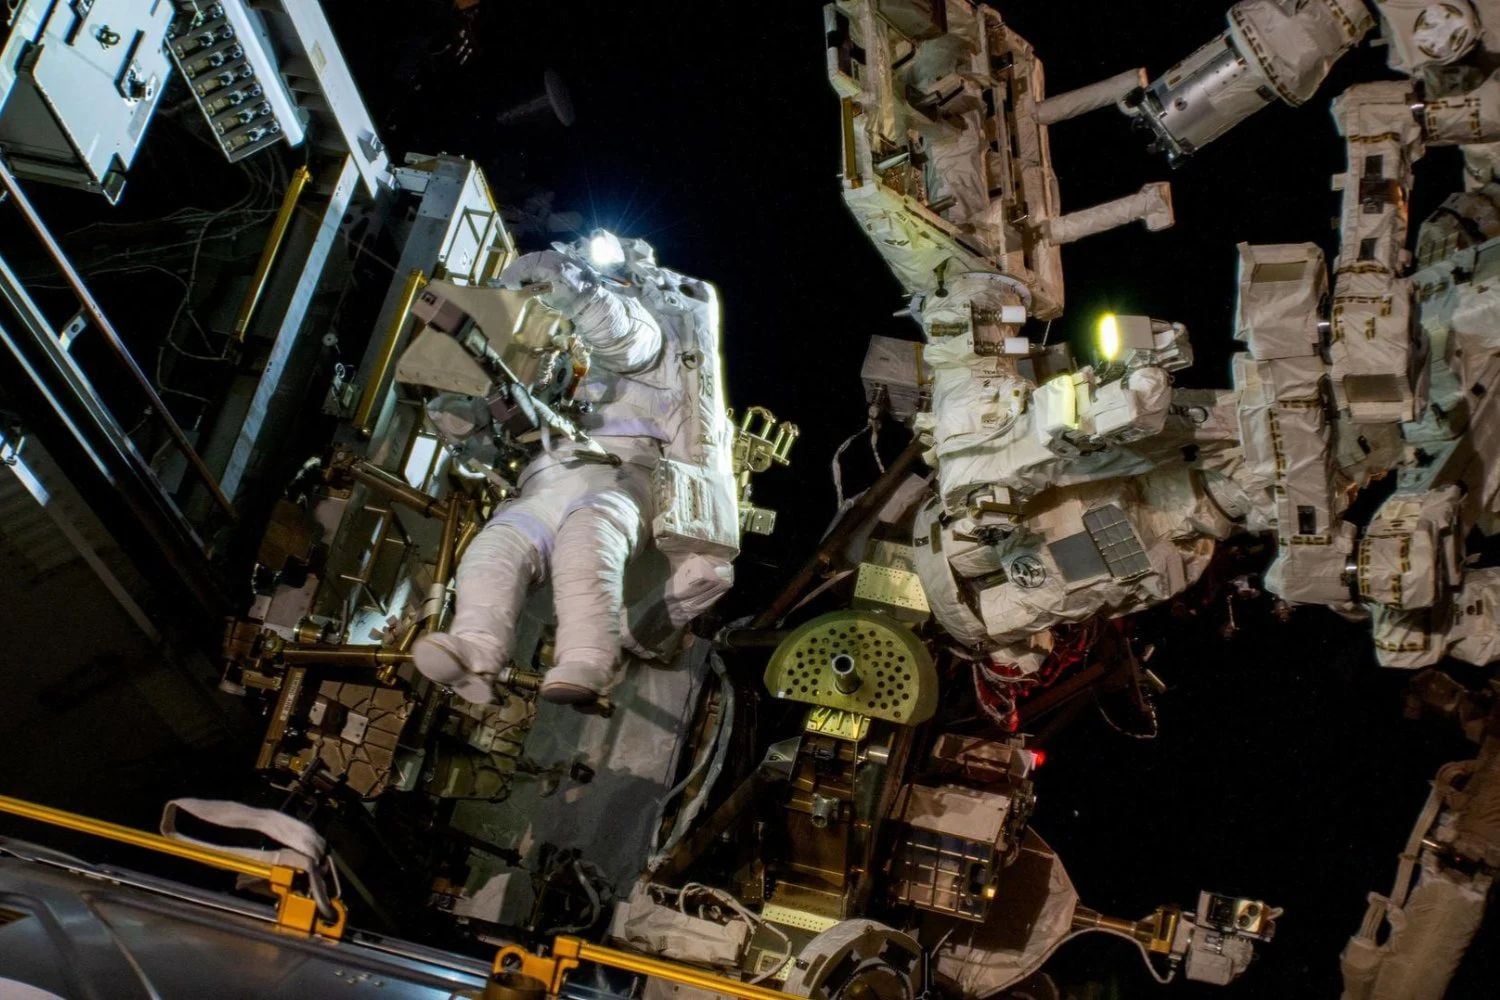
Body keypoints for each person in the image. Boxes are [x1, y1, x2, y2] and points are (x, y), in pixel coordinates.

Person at [413, 234, 736, 706]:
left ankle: (586, 660)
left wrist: (575, 285)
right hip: (550, 470)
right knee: (495, 548)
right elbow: (513, 417)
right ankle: (475, 651)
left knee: (588, 544)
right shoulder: (554, 346)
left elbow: (626, 337)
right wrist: (465, 417)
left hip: (625, 469)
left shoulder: (652, 325)